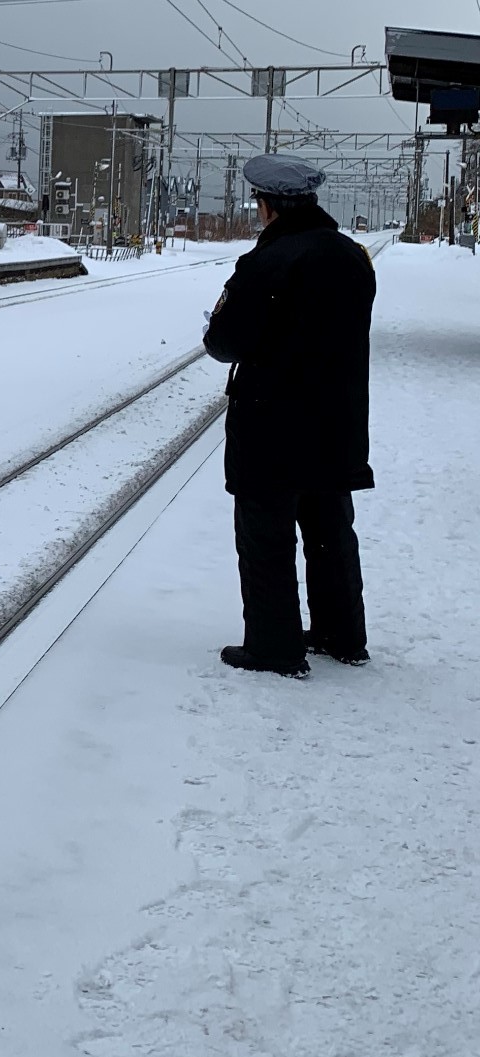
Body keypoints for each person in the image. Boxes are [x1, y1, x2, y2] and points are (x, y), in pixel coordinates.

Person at [203, 153, 376, 677]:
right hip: (337, 419)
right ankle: (341, 635)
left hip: (273, 421)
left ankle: (274, 647)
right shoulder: (352, 257)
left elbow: (226, 341)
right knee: (330, 531)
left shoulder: (267, 262)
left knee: (267, 535)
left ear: (269, 206)